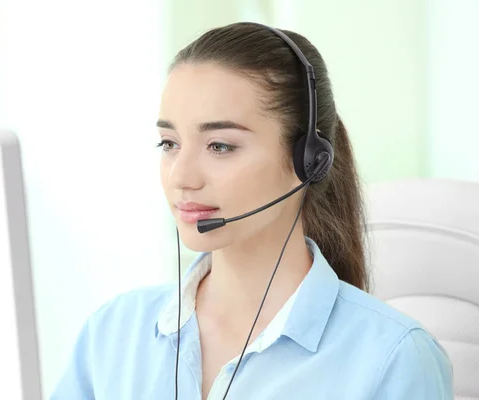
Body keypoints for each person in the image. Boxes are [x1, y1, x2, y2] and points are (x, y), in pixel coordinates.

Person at [50, 22, 453, 399]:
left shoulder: (392, 357)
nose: (181, 177)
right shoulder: (113, 333)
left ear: (308, 161)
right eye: (169, 143)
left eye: (220, 146)